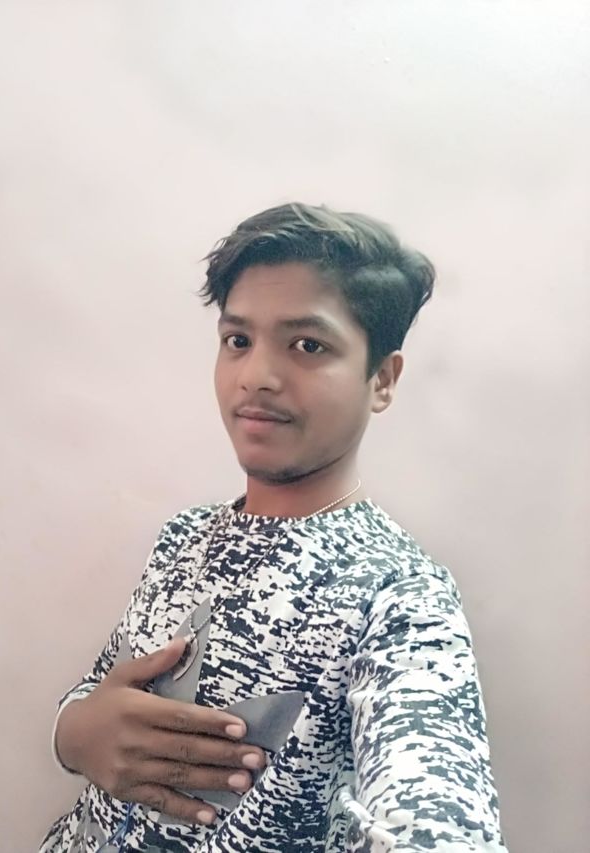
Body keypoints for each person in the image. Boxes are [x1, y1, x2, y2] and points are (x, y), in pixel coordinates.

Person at [40, 203, 508, 852]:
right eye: (238, 340)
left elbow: (437, 816)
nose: (256, 376)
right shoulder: (184, 536)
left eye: (307, 345)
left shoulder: (401, 594)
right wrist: (73, 734)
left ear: (382, 378)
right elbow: (99, 690)